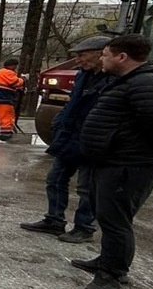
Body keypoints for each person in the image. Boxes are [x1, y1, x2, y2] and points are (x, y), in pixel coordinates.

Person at [71, 34, 153, 289]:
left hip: (130, 166)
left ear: (121, 57)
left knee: (116, 221)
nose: (102, 58)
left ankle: (111, 276)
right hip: (115, 162)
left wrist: (128, 149)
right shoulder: (131, 82)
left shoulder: (148, 83)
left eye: (105, 54)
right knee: (108, 216)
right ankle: (108, 260)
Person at [20, 36, 111, 243]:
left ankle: (84, 227)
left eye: (82, 55)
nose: (78, 60)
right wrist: (60, 121)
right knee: (55, 178)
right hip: (70, 136)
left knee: (87, 187)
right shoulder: (83, 76)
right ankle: (54, 220)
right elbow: (73, 103)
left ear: (101, 53)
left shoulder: (113, 80)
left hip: (93, 139)